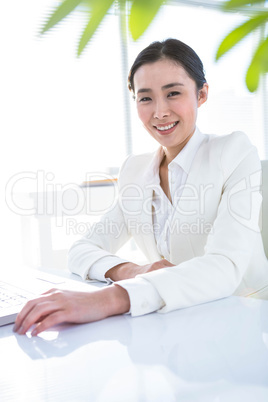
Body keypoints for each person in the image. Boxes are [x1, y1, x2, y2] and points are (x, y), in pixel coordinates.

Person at [14, 38, 268, 337]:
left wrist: (113, 297)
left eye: (173, 93)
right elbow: (82, 249)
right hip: (171, 324)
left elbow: (225, 266)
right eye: (145, 98)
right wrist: (133, 271)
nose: (159, 112)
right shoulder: (135, 170)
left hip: (245, 320)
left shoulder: (234, 152)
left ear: (202, 94)